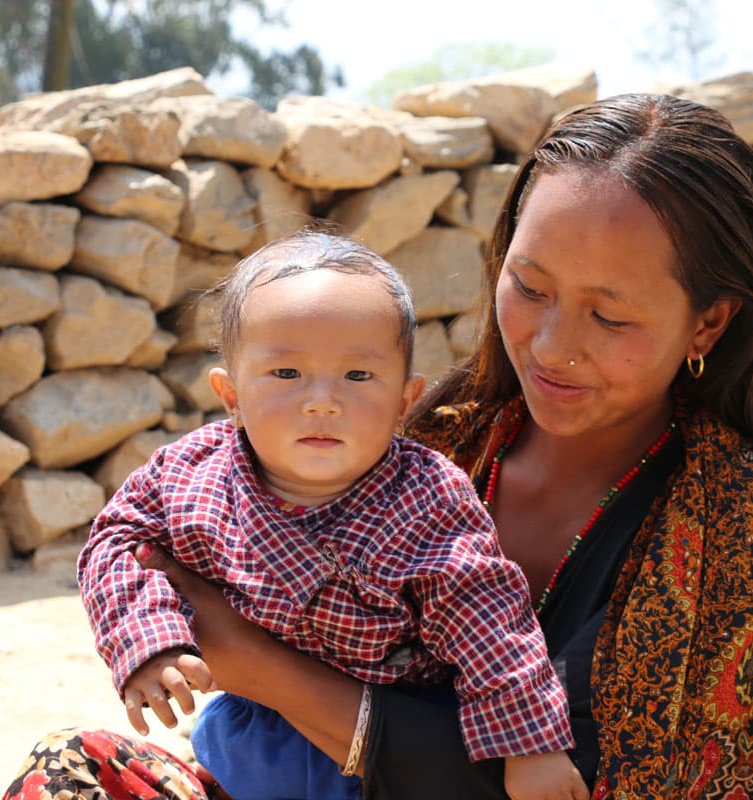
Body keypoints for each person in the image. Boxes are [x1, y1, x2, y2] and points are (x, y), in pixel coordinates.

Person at [3, 93, 753, 800]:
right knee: (68, 772)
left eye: (610, 314)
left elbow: (566, 784)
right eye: (530, 286)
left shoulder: (733, 526)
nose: (550, 345)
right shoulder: (434, 435)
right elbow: (142, 540)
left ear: (709, 319)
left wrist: (250, 663)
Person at [76, 230, 586, 800]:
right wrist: (150, 643)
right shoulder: (189, 473)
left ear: (404, 400)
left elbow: (489, 624)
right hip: (252, 738)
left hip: (388, 751)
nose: (323, 400)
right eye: (287, 374)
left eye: (358, 376)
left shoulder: (428, 497)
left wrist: (530, 748)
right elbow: (116, 545)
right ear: (232, 395)